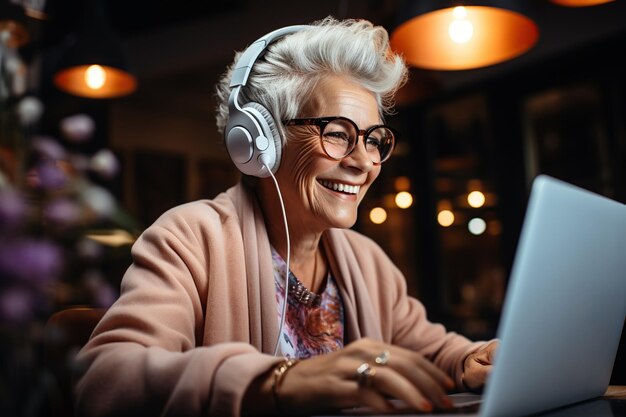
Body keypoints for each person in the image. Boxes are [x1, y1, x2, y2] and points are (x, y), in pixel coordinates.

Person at [74, 17, 498, 417]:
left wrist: (470, 359)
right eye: (336, 133)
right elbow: (105, 378)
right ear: (262, 143)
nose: (364, 162)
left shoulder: (366, 261)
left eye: (374, 140)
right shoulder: (190, 238)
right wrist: (279, 381)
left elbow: (433, 349)